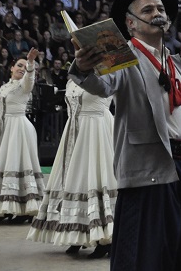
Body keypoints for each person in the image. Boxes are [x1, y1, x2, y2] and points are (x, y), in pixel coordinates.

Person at [68, 0, 181, 270]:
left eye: (160, 9)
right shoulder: (122, 56)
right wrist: (84, 68)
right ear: (130, 23)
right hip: (147, 176)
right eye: (147, 10)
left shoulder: (176, 63)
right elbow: (103, 85)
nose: (157, 13)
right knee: (145, 260)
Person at [27, 79, 117, 259]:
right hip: (74, 131)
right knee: (73, 180)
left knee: (94, 178)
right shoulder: (72, 79)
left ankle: (104, 239)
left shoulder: (107, 73)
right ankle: (77, 234)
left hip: (97, 130)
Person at [0, 49, 44, 224]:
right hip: (4, 129)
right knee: (2, 165)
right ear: (11, 68)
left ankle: (23, 210)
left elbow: (29, 80)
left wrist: (31, 63)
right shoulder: (5, 86)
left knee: (16, 165)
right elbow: (0, 107)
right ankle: (5, 209)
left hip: (18, 129)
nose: (22, 69)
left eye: (25, 68)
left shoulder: (24, 85)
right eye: (19, 65)